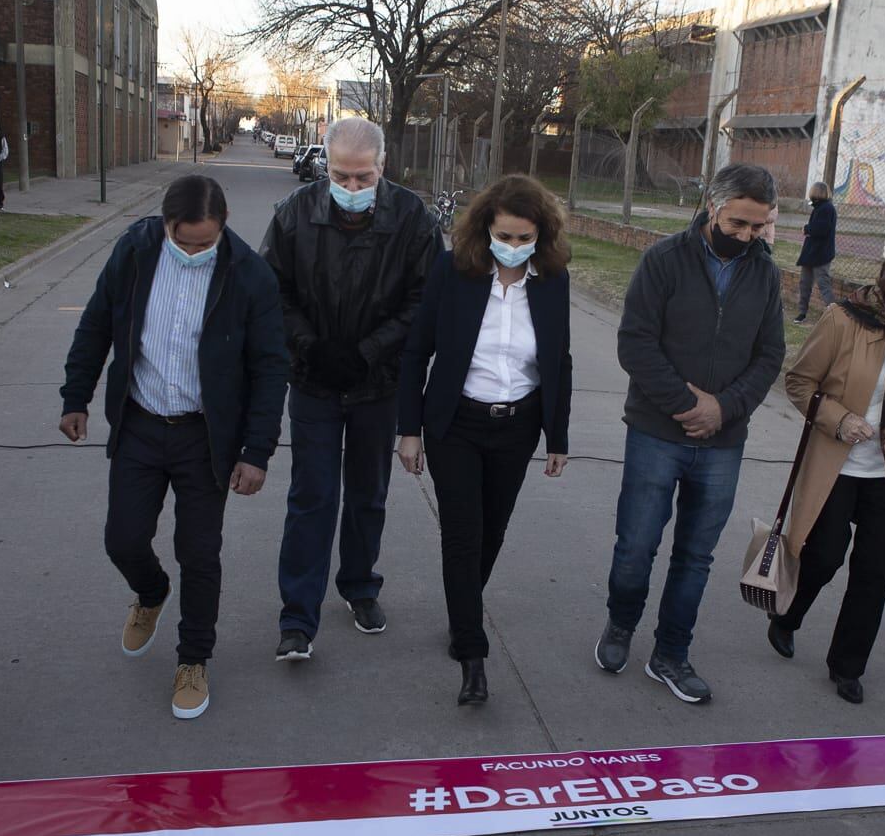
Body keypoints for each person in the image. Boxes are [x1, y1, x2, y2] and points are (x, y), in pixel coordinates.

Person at [59, 175, 288, 719]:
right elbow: (95, 324)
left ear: (222, 227)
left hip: (204, 437)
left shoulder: (249, 275)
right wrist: (77, 395)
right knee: (123, 539)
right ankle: (151, 590)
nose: (191, 252)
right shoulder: (136, 251)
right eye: (182, 242)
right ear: (166, 225)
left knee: (200, 553)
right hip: (139, 423)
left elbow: (270, 366)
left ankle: (193, 659)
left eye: (203, 244)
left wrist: (257, 451)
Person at [594, 163, 787, 703]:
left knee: (696, 556)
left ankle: (671, 654)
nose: (747, 236)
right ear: (711, 205)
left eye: (759, 226)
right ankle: (620, 626)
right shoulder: (663, 261)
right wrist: (688, 406)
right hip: (657, 433)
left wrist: (723, 409)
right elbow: (635, 344)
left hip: (723, 442)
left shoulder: (766, 275)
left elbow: (770, 355)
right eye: (738, 223)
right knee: (636, 546)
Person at [260, 116, 439, 661]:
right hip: (314, 381)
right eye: (342, 176)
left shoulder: (412, 219)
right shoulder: (295, 215)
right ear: (326, 167)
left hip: (377, 383)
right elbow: (273, 293)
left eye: (363, 178)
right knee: (312, 497)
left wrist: (368, 350)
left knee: (368, 493)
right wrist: (312, 346)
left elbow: (423, 301)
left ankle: (360, 586)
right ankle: (297, 617)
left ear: (382, 168)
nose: (352, 189)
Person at [396, 175, 574, 705]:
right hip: (456, 424)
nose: (514, 247)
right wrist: (409, 430)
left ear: (541, 234)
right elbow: (415, 353)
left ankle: (462, 609)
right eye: (505, 236)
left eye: (524, 238)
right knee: (463, 534)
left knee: (492, 532)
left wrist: (556, 436)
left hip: (517, 425)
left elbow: (557, 361)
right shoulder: (455, 272)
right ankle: (471, 655)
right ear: (485, 230)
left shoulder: (552, 280)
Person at [768, 241, 885, 704]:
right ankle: (787, 617)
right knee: (825, 555)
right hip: (840, 466)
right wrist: (839, 419)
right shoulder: (842, 320)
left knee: (875, 573)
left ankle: (848, 666)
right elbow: (798, 381)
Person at [793, 181, 837, 323]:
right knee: (804, 283)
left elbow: (821, 230)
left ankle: (834, 314)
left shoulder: (827, 208)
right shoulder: (820, 207)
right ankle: (802, 312)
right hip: (811, 253)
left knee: (823, 283)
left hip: (821, 254)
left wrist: (806, 229)